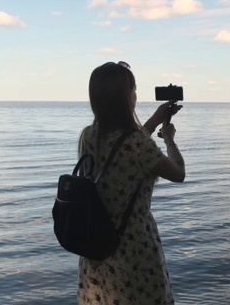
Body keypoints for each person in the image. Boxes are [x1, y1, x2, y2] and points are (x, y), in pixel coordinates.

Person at [77, 61, 185, 305]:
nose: (136, 95)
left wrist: (154, 121)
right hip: (133, 250)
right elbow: (178, 173)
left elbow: (124, 146)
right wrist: (169, 140)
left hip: (96, 247)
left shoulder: (89, 135)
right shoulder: (137, 144)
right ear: (126, 96)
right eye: (133, 90)